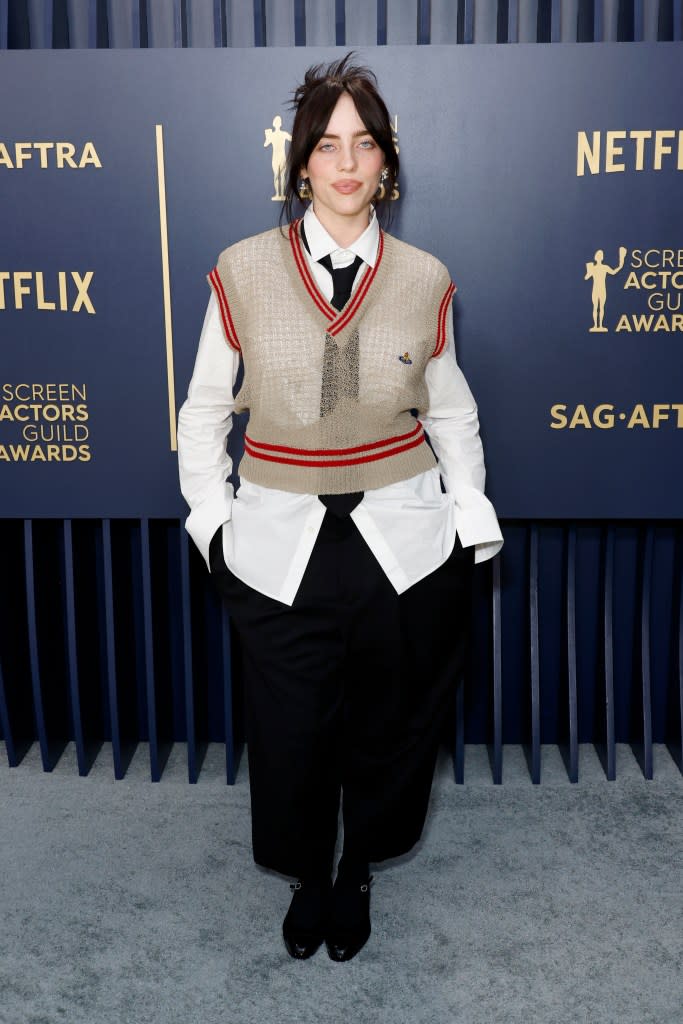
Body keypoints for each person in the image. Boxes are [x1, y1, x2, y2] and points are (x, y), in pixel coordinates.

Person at [177, 54, 502, 963]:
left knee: (389, 724)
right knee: (289, 730)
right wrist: (213, 523)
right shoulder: (240, 271)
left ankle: (356, 868)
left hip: (401, 538)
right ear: (301, 164)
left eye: (365, 145)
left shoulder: (424, 276)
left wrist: (469, 518)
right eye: (329, 146)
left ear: (386, 164)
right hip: (279, 540)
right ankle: (307, 877)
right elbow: (204, 409)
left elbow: (449, 409)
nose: (347, 163)